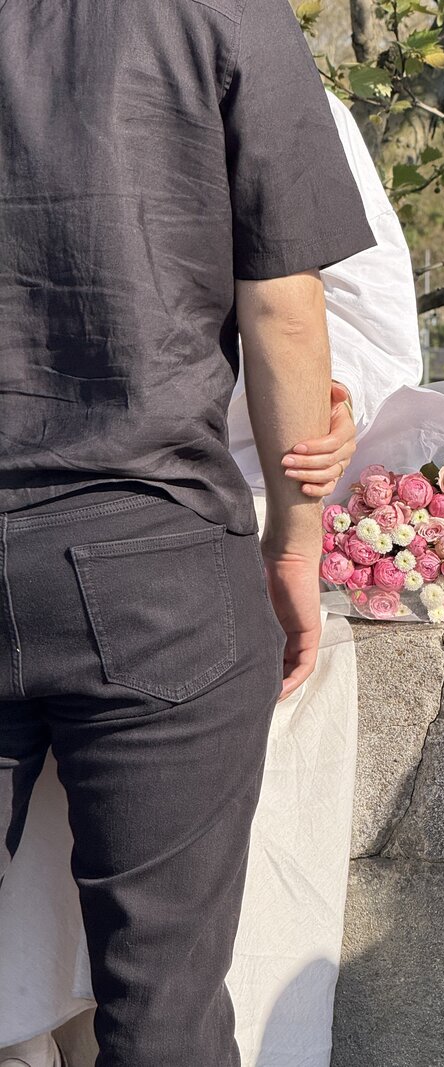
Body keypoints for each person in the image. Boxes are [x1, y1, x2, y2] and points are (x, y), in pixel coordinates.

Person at [0, 87, 422, 1067]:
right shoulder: (235, 53)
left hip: (201, 529)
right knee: (158, 990)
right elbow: (294, 311)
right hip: (175, 572)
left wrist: (324, 405)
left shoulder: (254, 81)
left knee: (161, 971)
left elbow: (362, 320)